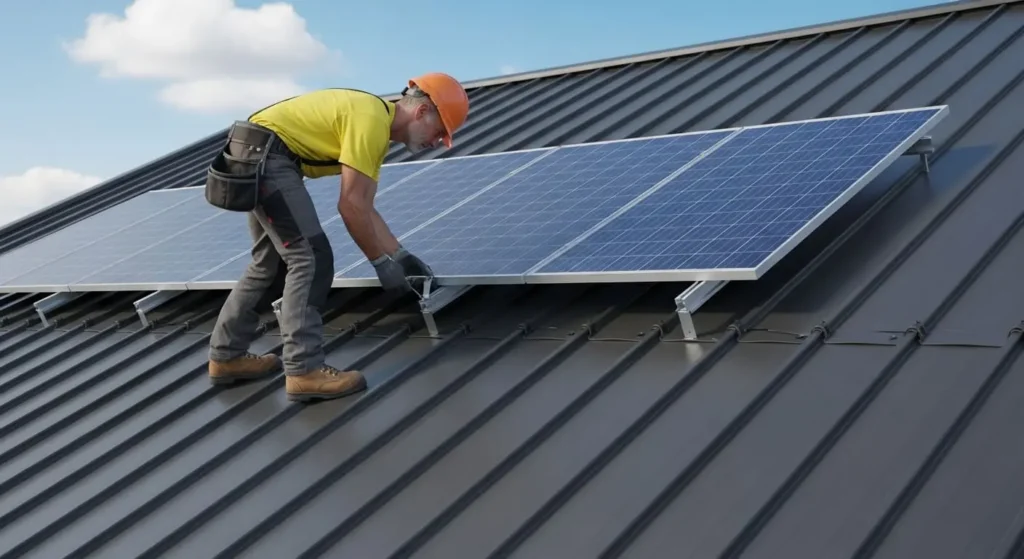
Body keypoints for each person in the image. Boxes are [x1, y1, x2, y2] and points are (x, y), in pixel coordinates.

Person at [204, 73, 470, 402]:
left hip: (253, 150)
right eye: (440, 131)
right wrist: (380, 263)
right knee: (311, 258)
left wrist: (400, 256)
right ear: (422, 112)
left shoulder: (374, 123)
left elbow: (364, 206)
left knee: (268, 263)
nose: (437, 141)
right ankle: (304, 370)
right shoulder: (371, 120)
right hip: (268, 156)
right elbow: (350, 206)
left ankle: (226, 355)